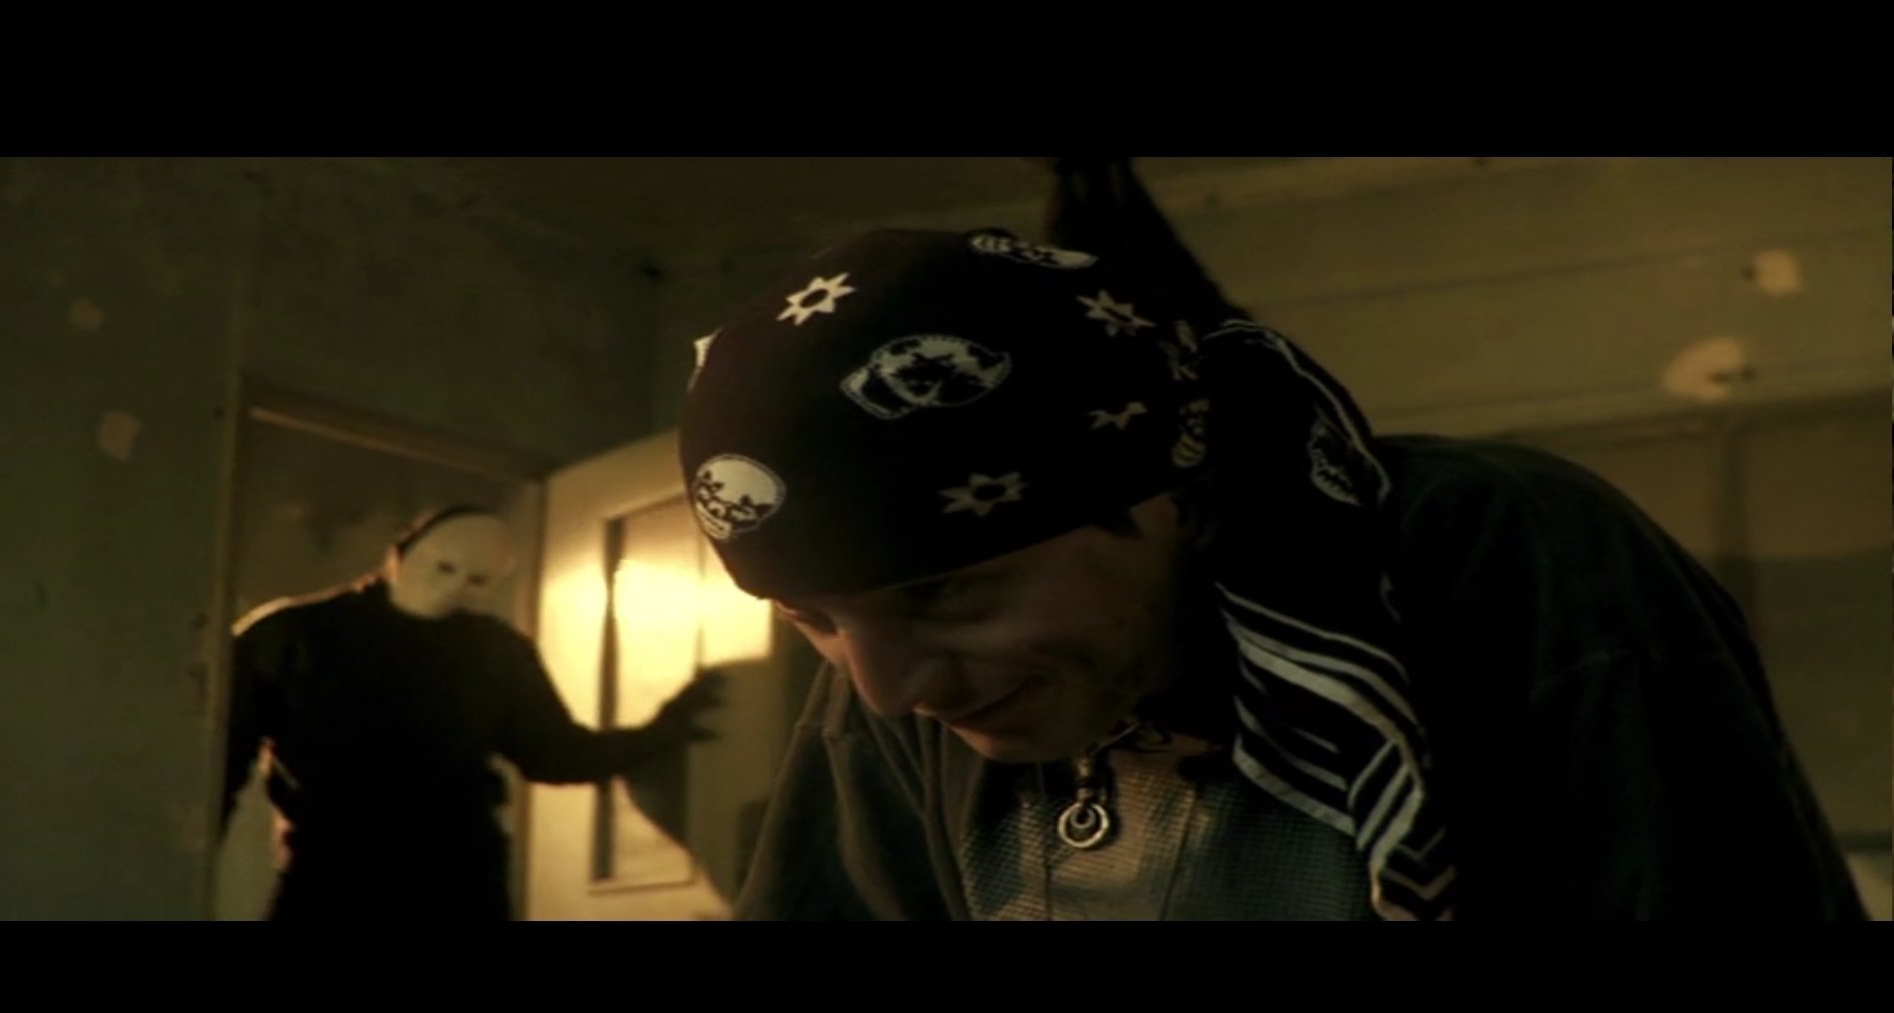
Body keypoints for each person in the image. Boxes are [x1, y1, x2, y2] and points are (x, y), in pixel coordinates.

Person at [676, 158, 1865, 921]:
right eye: (812, 621)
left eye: (948, 593)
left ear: (1173, 501)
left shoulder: (1491, 550)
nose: (887, 692)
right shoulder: (893, 674)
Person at [222, 505, 719, 921]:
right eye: (444, 567)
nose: (454, 587)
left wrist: (664, 729)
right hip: (333, 872)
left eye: (476, 579)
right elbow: (220, 757)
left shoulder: (494, 651)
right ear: (402, 553)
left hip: (457, 876)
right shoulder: (292, 635)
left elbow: (556, 754)